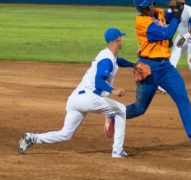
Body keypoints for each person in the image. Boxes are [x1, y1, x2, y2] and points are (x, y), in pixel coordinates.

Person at [106, 0, 191, 152]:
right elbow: (168, 33)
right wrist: (176, 15)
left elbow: (171, 15)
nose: (154, 5)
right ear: (147, 7)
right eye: (152, 3)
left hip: (166, 67)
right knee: (140, 108)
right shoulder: (143, 23)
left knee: (183, 99)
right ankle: (112, 116)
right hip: (148, 68)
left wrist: (178, 6)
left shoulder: (157, 12)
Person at [16, 28, 135, 158]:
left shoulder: (106, 54)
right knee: (121, 110)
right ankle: (117, 151)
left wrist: (134, 65)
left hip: (75, 100)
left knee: (66, 134)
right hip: (89, 98)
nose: (122, 40)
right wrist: (114, 90)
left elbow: (118, 60)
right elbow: (98, 82)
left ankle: (31, 138)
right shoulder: (107, 60)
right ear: (117, 40)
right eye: (121, 38)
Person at [158, 0, 191, 95]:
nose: (172, 5)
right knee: (172, 60)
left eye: (175, 3)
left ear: (181, 4)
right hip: (181, 36)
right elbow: (168, 23)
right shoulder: (172, 10)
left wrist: (184, 38)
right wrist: (169, 38)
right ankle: (166, 86)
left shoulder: (189, 11)